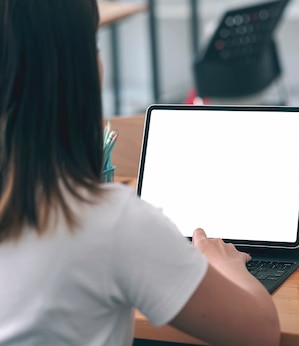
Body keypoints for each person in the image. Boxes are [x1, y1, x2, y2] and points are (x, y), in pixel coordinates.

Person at [0, 1, 280, 345]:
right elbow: (261, 333)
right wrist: (226, 265)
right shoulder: (109, 223)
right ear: (81, 70)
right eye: (94, 46)